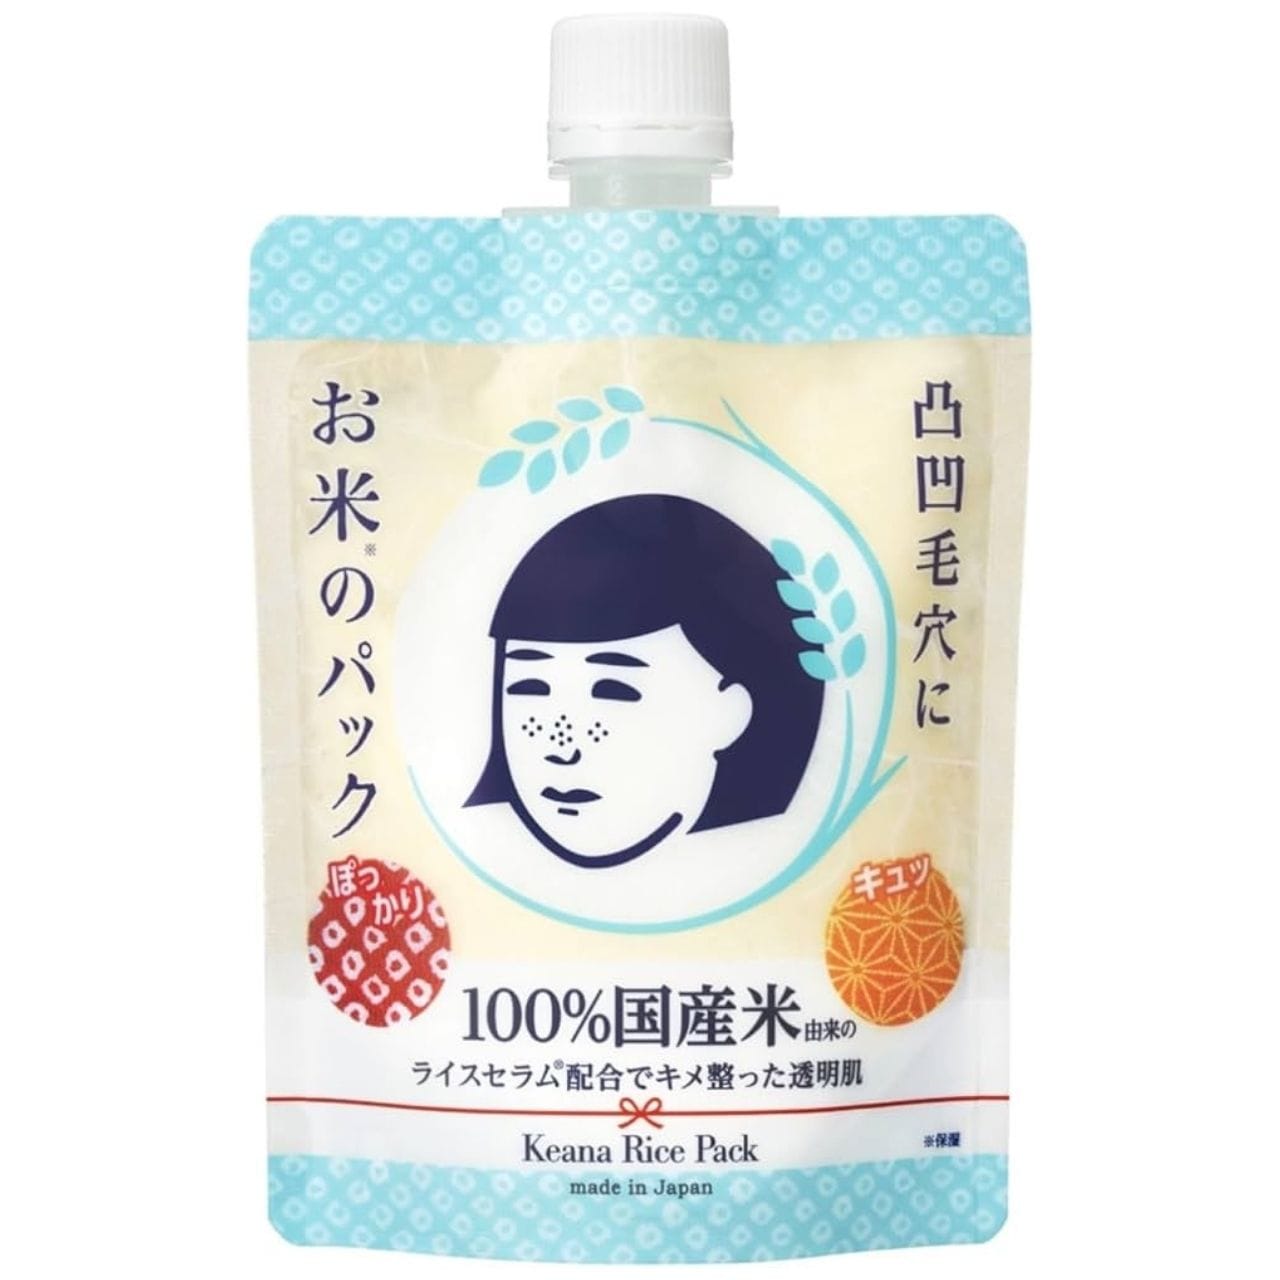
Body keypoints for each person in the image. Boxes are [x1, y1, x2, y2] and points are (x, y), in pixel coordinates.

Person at [467, 494, 824, 869]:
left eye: (612, 690)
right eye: (529, 687)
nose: (563, 749)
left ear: (731, 713)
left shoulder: (771, 861)